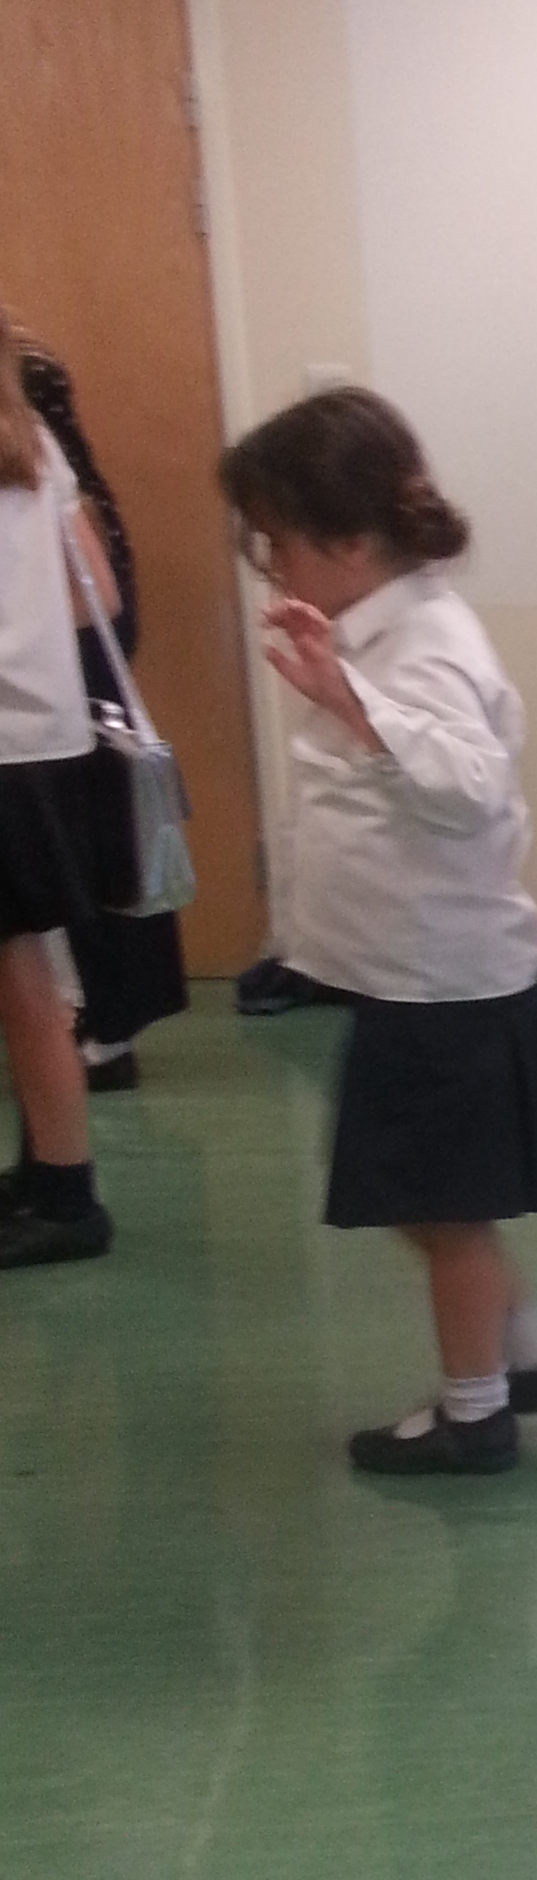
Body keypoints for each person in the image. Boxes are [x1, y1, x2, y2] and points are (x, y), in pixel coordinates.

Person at [217, 388, 537, 1474]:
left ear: (349, 541)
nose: (271, 568)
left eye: (279, 543)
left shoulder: (426, 646)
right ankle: (526, 1345)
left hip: (445, 990)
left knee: (446, 1211)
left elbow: (469, 786)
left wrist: (353, 702)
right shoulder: (374, 632)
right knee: (413, 1190)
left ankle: (476, 1414)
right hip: (402, 982)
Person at [7, 321, 189, 1088]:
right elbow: (105, 598)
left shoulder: (36, 448)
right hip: (62, 669)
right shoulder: (51, 451)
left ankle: (102, 1028)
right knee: (77, 870)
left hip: (44, 688)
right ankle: (105, 1028)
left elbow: (97, 597)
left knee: (45, 914)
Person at [0, 313, 121, 1268]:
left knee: (24, 980)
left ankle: (69, 1195)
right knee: (27, 972)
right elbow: (99, 597)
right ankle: (46, 1171)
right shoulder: (31, 439)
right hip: (45, 741)